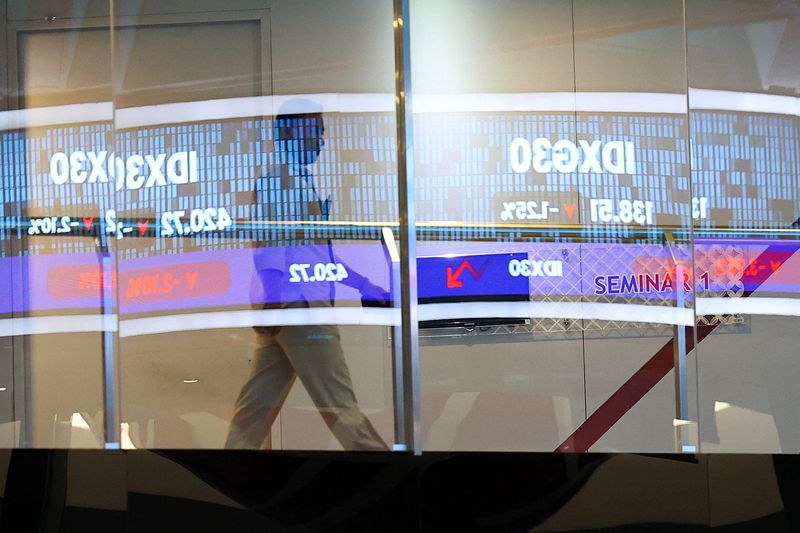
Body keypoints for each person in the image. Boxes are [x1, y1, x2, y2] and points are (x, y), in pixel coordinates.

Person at [225, 99, 388, 451]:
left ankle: (227, 469)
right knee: (341, 407)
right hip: (301, 307)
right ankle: (389, 471)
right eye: (315, 130)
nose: (320, 140)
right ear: (289, 132)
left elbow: (314, 256)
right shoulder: (281, 180)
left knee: (253, 413)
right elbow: (269, 244)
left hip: (290, 306)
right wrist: (273, 300)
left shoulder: (297, 182)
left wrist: (364, 285)